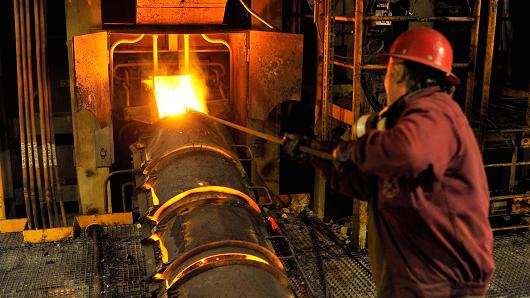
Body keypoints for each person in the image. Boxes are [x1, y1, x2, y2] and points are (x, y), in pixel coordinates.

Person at [283, 27, 495, 297]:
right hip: (412, 274)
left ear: (397, 72)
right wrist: (319, 155)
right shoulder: (408, 126)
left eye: (387, 71)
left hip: (442, 279)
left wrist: (352, 151)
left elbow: (410, 152)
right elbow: (367, 185)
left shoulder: (437, 112)